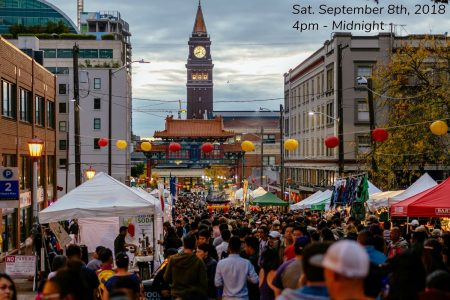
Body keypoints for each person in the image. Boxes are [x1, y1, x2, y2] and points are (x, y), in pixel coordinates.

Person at [164, 234, 208, 299]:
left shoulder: (173, 259)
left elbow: (166, 278)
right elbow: (203, 283)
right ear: (195, 245)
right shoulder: (198, 261)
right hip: (193, 296)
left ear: (183, 244)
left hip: (177, 296)